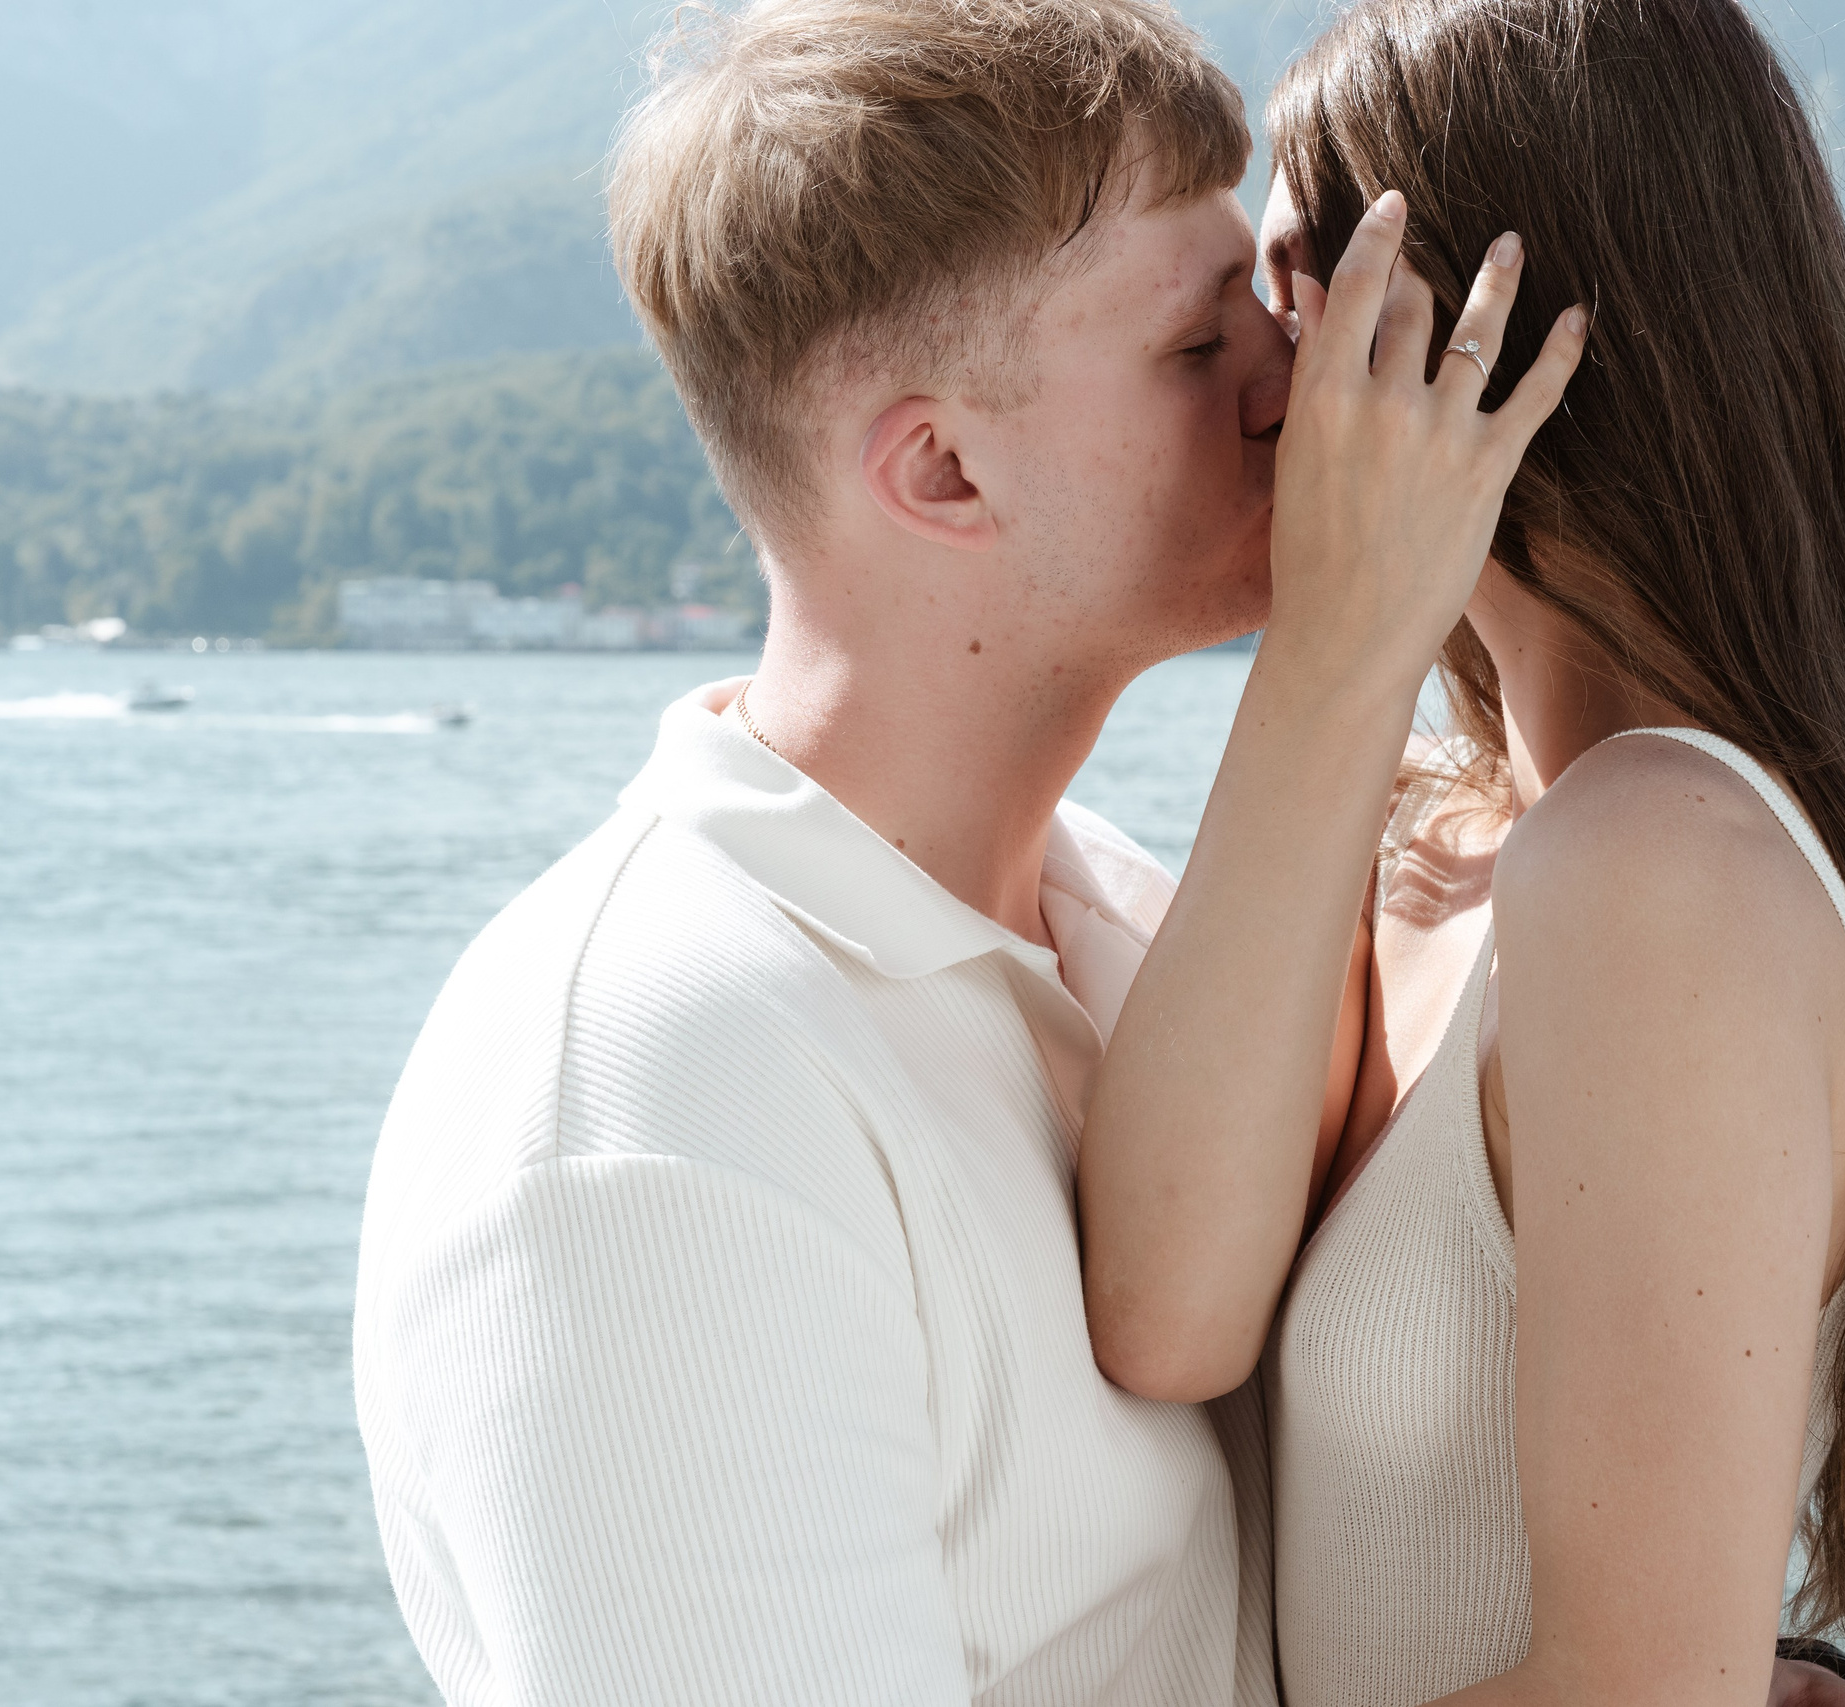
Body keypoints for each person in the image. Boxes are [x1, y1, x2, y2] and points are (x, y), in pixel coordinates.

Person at [1077, 2, 1845, 1705]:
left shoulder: (1657, 871)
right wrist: (1334, 656)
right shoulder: (1447, 829)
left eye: (1303, 295)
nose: (1254, 374)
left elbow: (1638, 1690)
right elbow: (1166, 1314)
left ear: (1483, 333)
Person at [350, 3, 1297, 1702]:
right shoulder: (649, 1091)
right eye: (1194, 344)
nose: (1292, 383)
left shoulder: (1123, 912)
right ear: (941, 471)